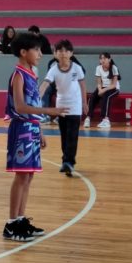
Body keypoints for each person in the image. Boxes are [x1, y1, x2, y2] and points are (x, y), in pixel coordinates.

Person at [3, 33, 67, 242]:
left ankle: (20, 219)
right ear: (23, 52)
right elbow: (20, 107)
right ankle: (11, 224)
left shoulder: (31, 73)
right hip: (20, 129)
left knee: (28, 176)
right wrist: (49, 111)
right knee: (21, 176)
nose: (40, 54)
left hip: (31, 128)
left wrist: (40, 130)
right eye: (37, 50)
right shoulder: (18, 75)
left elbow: (33, 102)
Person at [39, 40, 87, 177]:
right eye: (59, 51)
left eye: (66, 51)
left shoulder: (77, 68)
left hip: (75, 106)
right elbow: (45, 84)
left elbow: (83, 85)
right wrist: (37, 97)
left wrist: (84, 103)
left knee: (72, 136)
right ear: (55, 54)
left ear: (71, 53)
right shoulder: (53, 69)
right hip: (60, 107)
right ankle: (66, 161)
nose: (63, 53)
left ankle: (68, 162)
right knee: (64, 136)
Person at [84, 52, 121, 129]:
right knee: (92, 97)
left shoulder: (114, 68)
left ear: (109, 59)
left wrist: (103, 91)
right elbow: (99, 82)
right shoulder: (98, 68)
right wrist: (100, 89)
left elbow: (114, 85)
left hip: (113, 88)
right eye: (101, 58)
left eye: (104, 58)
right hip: (102, 87)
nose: (102, 60)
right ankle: (88, 118)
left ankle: (106, 120)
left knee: (106, 97)